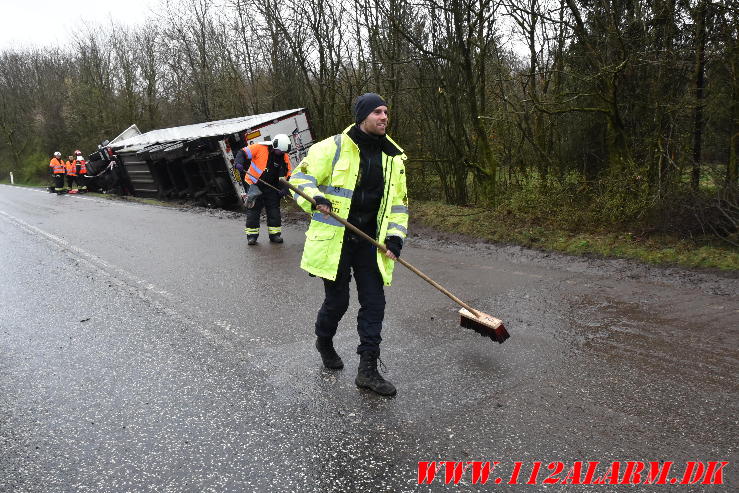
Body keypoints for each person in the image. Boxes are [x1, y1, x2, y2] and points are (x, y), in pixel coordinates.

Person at [289, 93, 409, 396]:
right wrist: (316, 198)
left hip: (371, 241)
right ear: (362, 116)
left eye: (386, 112)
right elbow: (299, 178)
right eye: (378, 112)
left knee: (375, 303)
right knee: (338, 301)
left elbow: (398, 205)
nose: (384, 117)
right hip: (336, 239)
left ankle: (367, 369)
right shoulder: (332, 147)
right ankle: (324, 341)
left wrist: (395, 237)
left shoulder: (393, 158)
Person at [234, 134, 292, 245]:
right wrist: (239, 163)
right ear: (274, 146)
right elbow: (242, 152)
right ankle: (252, 236)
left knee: (274, 210)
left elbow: (287, 174)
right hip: (254, 183)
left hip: (271, 187)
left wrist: (284, 188)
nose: (281, 153)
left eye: (283, 152)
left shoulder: (284, 157)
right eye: (279, 151)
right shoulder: (260, 148)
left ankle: (275, 235)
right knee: (254, 209)